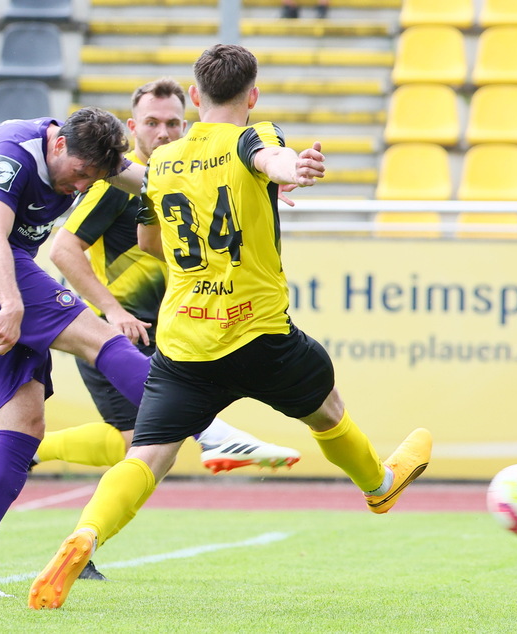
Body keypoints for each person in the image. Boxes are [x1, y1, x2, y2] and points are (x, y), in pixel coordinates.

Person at [28, 44, 432, 611]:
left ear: (194, 98)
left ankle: (86, 534)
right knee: (329, 410)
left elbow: (148, 242)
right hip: (260, 334)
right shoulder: (254, 135)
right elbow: (270, 159)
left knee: (147, 456)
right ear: (253, 96)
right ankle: (378, 487)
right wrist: (292, 171)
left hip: (185, 343)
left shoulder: (165, 161)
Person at [0, 106, 279, 598]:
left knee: (24, 425)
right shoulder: (14, 153)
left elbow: (156, 181)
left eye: (92, 178)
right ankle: (209, 431)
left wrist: (256, 178)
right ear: (57, 147)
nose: (79, 186)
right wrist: (10, 303)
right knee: (104, 339)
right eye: (78, 175)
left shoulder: (89, 155)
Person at [40, 79, 302, 580]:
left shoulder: (179, 174)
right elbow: (62, 250)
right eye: (153, 123)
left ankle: (31, 454)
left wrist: (275, 176)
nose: (164, 132)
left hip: (159, 332)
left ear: (189, 121)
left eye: (173, 123)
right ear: (132, 128)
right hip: (115, 336)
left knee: (133, 444)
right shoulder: (111, 187)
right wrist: (111, 312)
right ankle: (214, 440)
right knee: (143, 443)